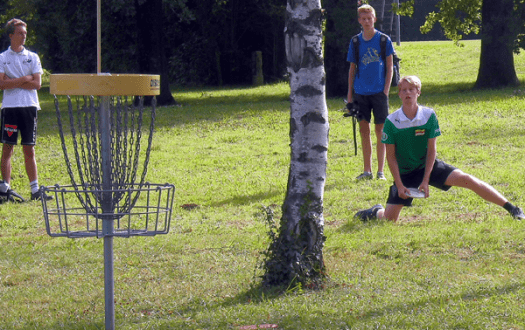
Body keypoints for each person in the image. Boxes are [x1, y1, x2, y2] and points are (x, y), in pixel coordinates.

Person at [354, 76, 525, 221]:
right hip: (405, 174)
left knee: (468, 179)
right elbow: (390, 157)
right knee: (389, 220)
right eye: (403, 90)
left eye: (411, 89)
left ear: (418, 92)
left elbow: (431, 150)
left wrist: (426, 180)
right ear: (399, 94)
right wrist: (399, 185)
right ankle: (376, 212)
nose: (407, 93)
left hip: (428, 166)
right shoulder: (392, 121)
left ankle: (512, 208)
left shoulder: (429, 115)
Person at [0, 18, 52, 202]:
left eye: (25, 33)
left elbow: (37, 83)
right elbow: (1, 84)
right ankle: (4, 189)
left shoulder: (33, 57)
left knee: (29, 149)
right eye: (20, 33)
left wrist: (12, 81)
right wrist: (24, 78)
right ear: (11, 35)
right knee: (8, 148)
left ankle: (35, 190)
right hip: (10, 108)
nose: (24, 37)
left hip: (29, 107)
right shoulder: (2, 58)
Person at [347, 4, 394, 181]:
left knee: (380, 130)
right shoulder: (355, 42)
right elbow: (352, 69)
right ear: (359, 20)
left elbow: (390, 68)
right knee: (363, 130)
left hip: (379, 92)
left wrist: (386, 91)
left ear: (374, 19)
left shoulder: (384, 40)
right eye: (363, 19)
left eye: (369, 18)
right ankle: (367, 170)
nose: (367, 21)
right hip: (360, 93)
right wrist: (350, 96)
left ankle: (380, 171)